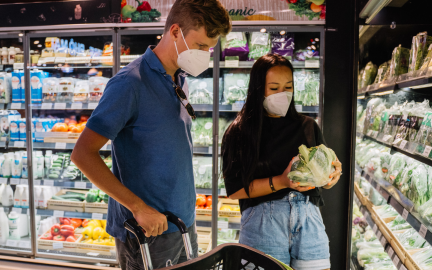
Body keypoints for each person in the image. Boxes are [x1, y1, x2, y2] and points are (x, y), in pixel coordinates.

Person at [71, 0, 231, 269]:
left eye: (210, 48)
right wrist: (138, 207)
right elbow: (82, 154)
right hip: (147, 233)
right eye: (201, 45)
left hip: (182, 225)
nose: (205, 54)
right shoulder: (129, 84)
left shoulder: (179, 78)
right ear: (176, 32)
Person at [221, 54, 342, 270]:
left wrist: (332, 174)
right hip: (263, 224)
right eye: (274, 88)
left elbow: (326, 174)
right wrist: (281, 181)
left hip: (309, 221)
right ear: (259, 90)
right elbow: (235, 190)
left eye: (288, 87)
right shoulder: (239, 132)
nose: (282, 94)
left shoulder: (308, 126)